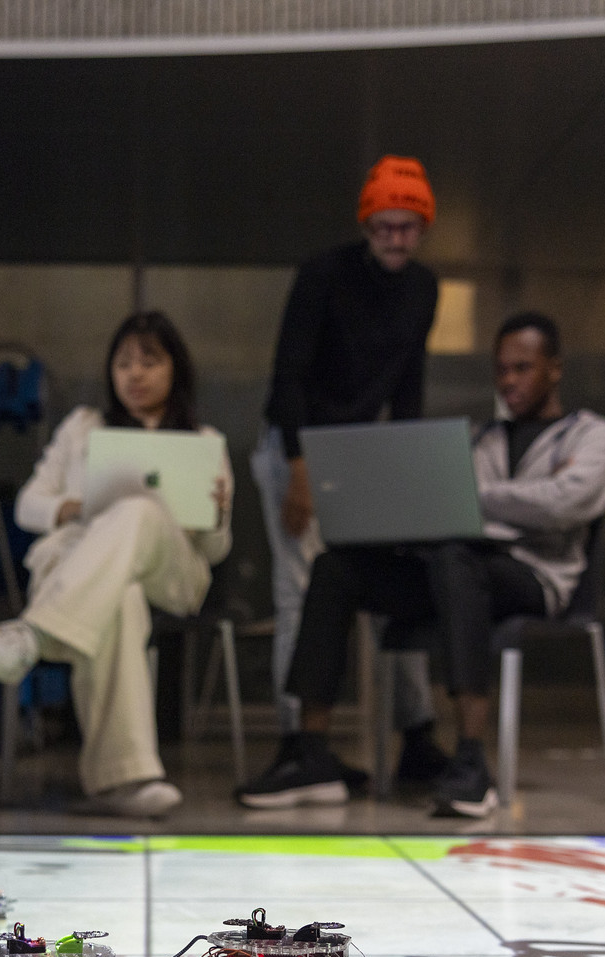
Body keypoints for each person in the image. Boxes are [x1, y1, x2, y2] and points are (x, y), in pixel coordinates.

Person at [236, 311, 605, 817]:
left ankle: (469, 760)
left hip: (537, 578)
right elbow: (466, 507)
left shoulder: (591, 435)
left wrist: (480, 498)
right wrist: (509, 501)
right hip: (458, 566)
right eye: (502, 369)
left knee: (457, 557)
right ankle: (310, 752)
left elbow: (564, 504)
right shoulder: (484, 439)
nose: (509, 380)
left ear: (554, 369)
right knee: (337, 568)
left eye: (522, 368)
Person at [0, 312, 232, 819]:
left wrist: (216, 516)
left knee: (139, 510)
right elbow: (28, 505)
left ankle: (32, 636)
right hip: (83, 561)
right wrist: (78, 507)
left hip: (172, 569)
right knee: (120, 599)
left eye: (149, 361)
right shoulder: (82, 427)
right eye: (123, 362)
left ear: (176, 369)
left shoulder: (203, 441)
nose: (135, 374)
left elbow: (215, 552)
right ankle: (124, 781)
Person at [252, 155, 445, 788]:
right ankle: (299, 741)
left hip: (366, 452)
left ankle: (417, 733)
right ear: (367, 224)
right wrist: (300, 470)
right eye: (385, 226)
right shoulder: (324, 274)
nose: (395, 239)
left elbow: (409, 383)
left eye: (407, 228)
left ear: (421, 229)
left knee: (390, 581)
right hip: (296, 445)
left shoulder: (423, 288)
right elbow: (288, 377)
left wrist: (411, 466)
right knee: (302, 590)